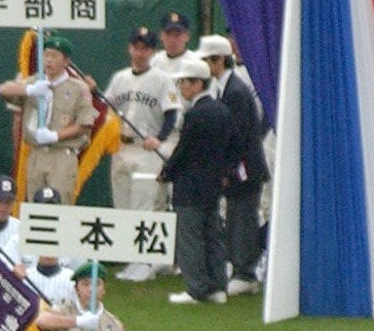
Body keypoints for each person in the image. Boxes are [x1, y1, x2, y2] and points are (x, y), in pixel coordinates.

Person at [163, 55, 237, 306]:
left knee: (190, 238)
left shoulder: (196, 114)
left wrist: (166, 173)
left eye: (184, 82)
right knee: (213, 236)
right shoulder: (222, 110)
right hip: (213, 186)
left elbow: (183, 150)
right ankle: (218, 288)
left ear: (197, 84)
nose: (181, 87)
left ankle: (196, 289)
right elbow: (232, 148)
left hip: (190, 188)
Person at [103, 26, 176, 278]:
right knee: (123, 206)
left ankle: (145, 262)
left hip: (146, 148)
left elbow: (172, 112)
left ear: (152, 51)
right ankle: (135, 259)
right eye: (136, 47)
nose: (140, 52)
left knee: (144, 206)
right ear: (129, 48)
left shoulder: (162, 78)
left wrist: (160, 138)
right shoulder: (120, 78)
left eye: (145, 48)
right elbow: (107, 109)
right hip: (122, 147)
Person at [198, 35, 268, 296]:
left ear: (218, 61)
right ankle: (237, 265)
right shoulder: (221, 88)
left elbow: (238, 136)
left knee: (243, 218)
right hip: (235, 166)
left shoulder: (236, 92)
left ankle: (245, 272)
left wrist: (228, 170)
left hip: (244, 168)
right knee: (235, 217)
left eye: (207, 60)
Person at [0, 33, 94, 204]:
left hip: (62, 154)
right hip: (36, 154)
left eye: (54, 56)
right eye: (46, 55)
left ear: (65, 61)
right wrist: (29, 90)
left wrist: (55, 136)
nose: (49, 60)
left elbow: (84, 125)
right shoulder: (35, 82)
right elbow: (3, 90)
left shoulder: (78, 88)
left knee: (59, 203)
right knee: (35, 205)